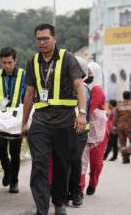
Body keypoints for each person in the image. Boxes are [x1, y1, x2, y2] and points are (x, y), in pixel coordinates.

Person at [21, 23, 86, 215]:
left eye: (45, 39)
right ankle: (41, 209)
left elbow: (79, 85)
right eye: (38, 39)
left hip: (65, 122)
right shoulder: (33, 62)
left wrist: (81, 113)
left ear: (54, 39)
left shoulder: (67, 58)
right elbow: (29, 94)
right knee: (39, 163)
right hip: (41, 121)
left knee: (61, 165)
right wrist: (24, 122)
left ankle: (59, 203)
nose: (41, 42)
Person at [47, 56, 90, 207]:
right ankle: (63, 193)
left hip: (79, 131)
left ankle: (76, 192)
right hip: (63, 127)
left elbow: (83, 109)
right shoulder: (62, 86)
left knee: (75, 161)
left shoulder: (83, 89)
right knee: (63, 162)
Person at [0, 47, 26, 193]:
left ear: (15, 60)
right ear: (1, 61)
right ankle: (7, 171)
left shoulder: (24, 75)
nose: (7, 66)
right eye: (4, 62)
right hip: (1, 118)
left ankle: (14, 182)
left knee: (15, 150)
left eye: (10, 62)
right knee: (0, 147)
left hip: (16, 118)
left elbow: (29, 94)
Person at [80, 62, 108, 196]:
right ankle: (79, 187)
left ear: (96, 74)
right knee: (82, 160)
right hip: (84, 128)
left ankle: (93, 183)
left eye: (91, 73)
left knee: (96, 162)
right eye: (87, 72)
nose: (88, 75)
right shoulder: (84, 88)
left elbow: (88, 108)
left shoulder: (97, 90)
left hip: (97, 132)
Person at [113, 91, 131, 164]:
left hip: (120, 126)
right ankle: (128, 151)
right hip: (130, 126)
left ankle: (125, 159)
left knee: (122, 143)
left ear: (123, 96)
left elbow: (115, 117)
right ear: (130, 96)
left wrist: (114, 126)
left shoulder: (119, 106)